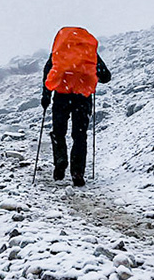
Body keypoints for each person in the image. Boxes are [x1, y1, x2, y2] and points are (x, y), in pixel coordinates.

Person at [41, 27, 111, 187]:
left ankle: (60, 161)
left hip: (61, 96)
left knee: (59, 132)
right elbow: (106, 76)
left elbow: (47, 74)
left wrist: (45, 97)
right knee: (79, 136)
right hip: (83, 97)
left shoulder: (58, 54)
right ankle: (77, 173)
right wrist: (89, 75)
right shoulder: (90, 54)